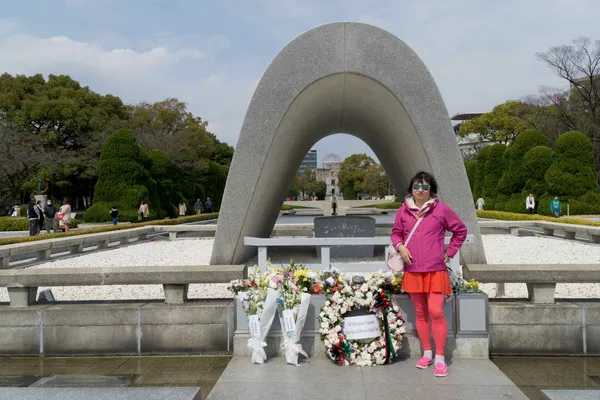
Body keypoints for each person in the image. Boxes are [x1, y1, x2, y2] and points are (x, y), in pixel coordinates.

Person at [391, 171, 467, 378]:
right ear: (411, 189)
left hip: (435, 269)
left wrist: (449, 252)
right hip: (413, 270)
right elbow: (396, 233)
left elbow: (461, 231)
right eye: (417, 186)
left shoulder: (441, 210)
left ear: (431, 189)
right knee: (421, 314)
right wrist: (400, 247)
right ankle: (427, 353)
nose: (421, 190)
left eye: (425, 187)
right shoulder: (403, 211)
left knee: (435, 311)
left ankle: (440, 357)